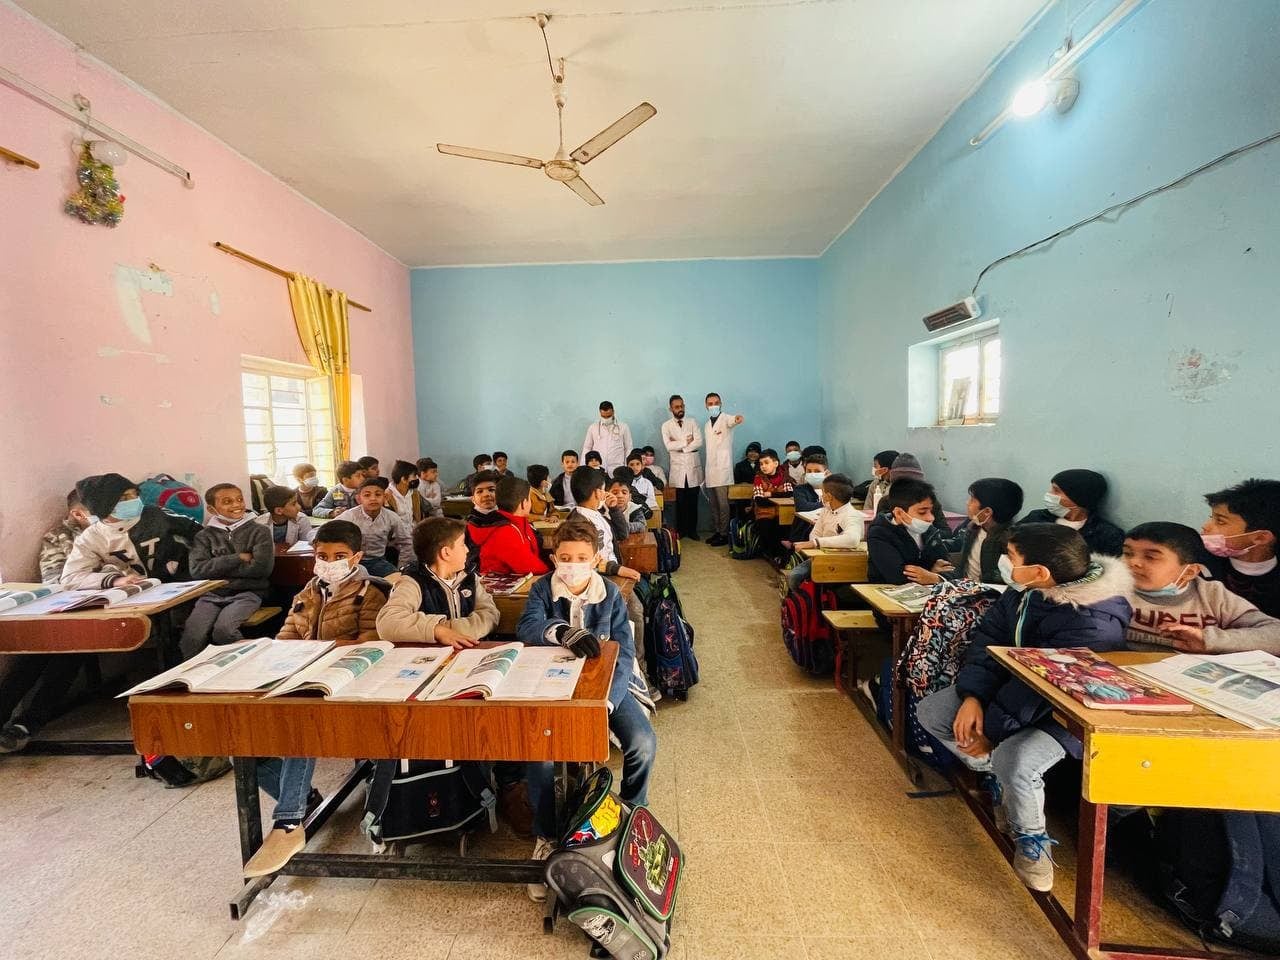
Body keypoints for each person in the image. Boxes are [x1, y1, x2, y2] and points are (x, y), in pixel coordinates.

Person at [916, 524, 1132, 892]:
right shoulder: (1024, 592)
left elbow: (1042, 689)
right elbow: (989, 640)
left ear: (1040, 572)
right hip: (1011, 692)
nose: (1005, 563)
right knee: (934, 713)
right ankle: (997, 778)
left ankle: (1032, 840)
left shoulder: (1092, 621)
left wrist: (991, 732)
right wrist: (973, 696)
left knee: (1017, 760)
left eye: (1012, 558)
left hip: (1066, 712)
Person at [516, 517, 657, 901]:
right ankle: (546, 835)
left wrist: (606, 703)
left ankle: (631, 812)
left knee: (642, 743)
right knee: (541, 757)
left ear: (596, 559)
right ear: (554, 558)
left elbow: (623, 653)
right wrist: (561, 631)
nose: (573, 565)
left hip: (604, 689)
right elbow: (528, 627)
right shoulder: (542, 588)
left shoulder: (608, 593)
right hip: (550, 687)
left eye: (581, 558)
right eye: (565, 558)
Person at [246, 520, 392, 878]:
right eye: (322, 556)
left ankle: (288, 821)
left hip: (351, 684)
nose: (329, 563)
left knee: (303, 723)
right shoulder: (307, 592)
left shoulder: (370, 592)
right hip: (304, 677)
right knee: (244, 745)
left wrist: (320, 651)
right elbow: (285, 638)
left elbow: (371, 642)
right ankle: (305, 797)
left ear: (356, 557)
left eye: (339, 556)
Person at [0, 493, 96, 754]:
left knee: (70, 655)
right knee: (35, 654)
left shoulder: (114, 532)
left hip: (102, 611)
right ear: (78, 514)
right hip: (65, 610)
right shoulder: (59, 537)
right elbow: (55, 580)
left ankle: (27, 723)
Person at [1123, 521, 1280, 654]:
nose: (1133, 562)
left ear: (1189, 572)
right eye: (1127, 553)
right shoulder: (1114, 589)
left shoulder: (1213, 595)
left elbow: (1275, 634)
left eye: (1150, 557)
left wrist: (1208, 639)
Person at [61, 473, 202, 590]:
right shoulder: (92, 537)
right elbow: (71, 578)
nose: (133, 500)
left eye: (135, 495)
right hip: (141, 592)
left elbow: (200, 533)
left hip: (184, 582)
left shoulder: (156, 515)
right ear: (103, 506)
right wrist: (115, 580)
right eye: (124, 498)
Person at [377, 517, 500, 647]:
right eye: (462, 544)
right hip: (430, 654)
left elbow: (490, 614)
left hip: (471, 650)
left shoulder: (469, 577)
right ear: (446, 553)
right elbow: (387, 623)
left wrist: (451, 629)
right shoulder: (413, 582)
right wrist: (437, 631)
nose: (467, 550)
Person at [181, 483, 274, 654]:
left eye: (239, 499)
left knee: (224, 631)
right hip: (211, 595)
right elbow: (197, 570)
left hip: (248, 593)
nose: (236, 505)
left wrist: (216, 568)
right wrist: (238, 558)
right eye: (227, 501)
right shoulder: (203, 536)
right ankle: (196, 669)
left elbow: (261, 569)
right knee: (192, 636)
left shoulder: (260, 531)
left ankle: (248, 663)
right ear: (211, 509)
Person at [1200, 478, 1280, 618]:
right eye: (1211, 518)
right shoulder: (1196, 565)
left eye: (1220, 521)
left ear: (1261, 537)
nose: (1205, 526)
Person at [1018, 469, 1125, 556]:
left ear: (1078, 498)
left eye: (1056, 491)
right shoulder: (1036, 518)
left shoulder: (1107, 535)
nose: (1049, 494)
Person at [865, 478, 953, 584]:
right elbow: (897, 577)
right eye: (922, 512)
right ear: (899, 513)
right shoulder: (880, 533)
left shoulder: (929, 531)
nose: (931, 518)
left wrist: (933, 577)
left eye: (931, 511)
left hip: (929, 591)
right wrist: (931, 572)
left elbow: (950, 569)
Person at [787, 473, 864, 591]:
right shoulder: (826, 510)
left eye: (822, 492)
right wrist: (816, 543)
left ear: (828, 496)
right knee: (794, 577)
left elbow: (852, 539)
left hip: (843, 562)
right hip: (821, 557)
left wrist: (816, 543)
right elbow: (815, 533)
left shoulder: (852, 515)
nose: (821, 495)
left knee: (812, 581)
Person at [949, 478, 1025, 584]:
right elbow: (959, 549)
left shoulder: (1010, 541)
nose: (967, 503)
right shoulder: (974, 525)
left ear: (987, 512)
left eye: (972, 500)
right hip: (963, 584)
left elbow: (1000, 580)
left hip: (986, 590)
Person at [570, 468, 640, 579]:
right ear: (597, 493)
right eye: (603, 489)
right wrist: (617, 569)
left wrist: (614, 509)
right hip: (598, 577)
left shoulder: (598, 514)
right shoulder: (578, 523)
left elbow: (623, 534)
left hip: (612, 570)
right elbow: (585, 560)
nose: (605, 493)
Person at [472, 477, 550, 576]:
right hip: (501, 582)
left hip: (520, 577)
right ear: (523, 504)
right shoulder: (504, 532)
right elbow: (531, 567)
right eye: (530, 499)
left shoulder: (520, 522)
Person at [337, 479, 414, 577]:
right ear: (359, 499)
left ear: (385, 497)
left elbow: (406, 542)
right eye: (367, 495)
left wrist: (401, 567)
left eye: (378, 495)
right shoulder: (349, 516)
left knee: (398, 580)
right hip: (353, 561)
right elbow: (323, 531)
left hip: (378, 561)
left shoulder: (391, 517)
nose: (373, 498)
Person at [702, 392, 745, 547]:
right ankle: (718, 531)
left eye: (716, 403)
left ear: (721, 404)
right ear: (706, 406)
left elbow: (733, 420)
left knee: (723, 504)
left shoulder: (725, 418)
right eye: (710, 403)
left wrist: (737, 419)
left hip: (722, 469)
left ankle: (724, 534)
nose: (713, 406)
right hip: (710, 469)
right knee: (713, 504)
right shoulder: (707, 425)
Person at [661, 394, 703, 541]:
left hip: (693, 467)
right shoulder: (666, 426)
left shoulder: (692, 422)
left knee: (693, 501)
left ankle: (692, 531)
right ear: (671, 409)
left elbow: (699, 442)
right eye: (677, 407)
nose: (680, 409)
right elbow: (668, 446)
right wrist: (687, 441)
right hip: (678, 469)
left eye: (682, 406)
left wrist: (680, 446)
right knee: (679, 502)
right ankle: (681, 531)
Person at [887, 453, 950, 536]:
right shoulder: (886, 502)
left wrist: (923, 528)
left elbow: (946, 532)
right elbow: (884, 530)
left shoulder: (930, 503)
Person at [464, 469, 506, 571]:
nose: (486, 494)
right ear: (473, 499)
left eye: (491, 490)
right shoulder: (467, 526)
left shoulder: (507, 519)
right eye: (479, 491)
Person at [581, 401, 632, 473]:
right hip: (598, 468)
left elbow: (628, 448)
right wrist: (583, 467)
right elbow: (587, 448)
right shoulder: (593, 427)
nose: (606, 419)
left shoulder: (623, 427)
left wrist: (627, 467)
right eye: (603, 416)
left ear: (613, 412)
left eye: (608, 416)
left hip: (617, 467)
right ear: (600, 413)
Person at [386, 460, 428, 525]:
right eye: (414, 476)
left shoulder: (414, 493)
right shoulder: (388, 495)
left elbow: (418, 515)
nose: (417, 478)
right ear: (403, 479)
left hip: (414, 528)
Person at [610, 469, 651, 536]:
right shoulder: (603, 509)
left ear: (630, 497)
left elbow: (642, 525)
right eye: (615, 493)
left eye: (624, 493)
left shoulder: (634, 508)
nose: (620, 496)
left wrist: (621, 527)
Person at [864, 449, 900, 516]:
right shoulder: (875, 484)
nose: (874, 469)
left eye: (875, 466)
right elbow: (867, 509)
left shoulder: (901, 486)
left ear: (885, 469)